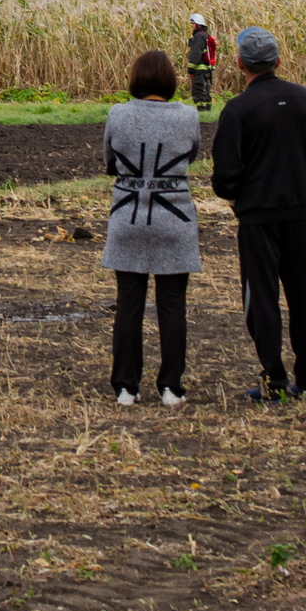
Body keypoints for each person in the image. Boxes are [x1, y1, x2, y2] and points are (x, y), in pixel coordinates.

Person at [212, 26, 306, 402]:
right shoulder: (305, 100)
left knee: (261, 297)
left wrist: (235, 199)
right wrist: (304, 194)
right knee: (303, 295)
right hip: (298, 214)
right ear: (278, 61)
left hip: (256, 218)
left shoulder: (238, 110)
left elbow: (226, 172)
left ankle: (274, 377)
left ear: (239, 64)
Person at [102, 49, 201, 407]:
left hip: (128, 218)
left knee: (129, 304)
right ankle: (171, 387)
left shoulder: (118, 114)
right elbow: (192, 154)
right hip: (175, 219)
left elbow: (109, 160)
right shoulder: (188, 115)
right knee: (172, 305)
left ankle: (126, 387)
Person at [186, 14, 219, 111]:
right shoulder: (205, 35)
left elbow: (196, 52)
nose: (192, 25)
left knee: (199, 88)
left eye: (193, 23)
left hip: (199, 68)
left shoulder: (199, 36)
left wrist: (191, 67)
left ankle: (201, 109)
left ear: (198, 24)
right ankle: (207, 108)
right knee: (206, 88)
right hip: (206, 68)